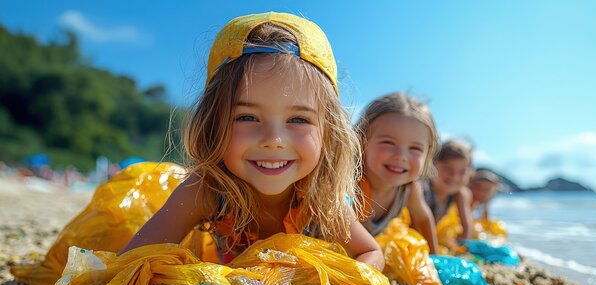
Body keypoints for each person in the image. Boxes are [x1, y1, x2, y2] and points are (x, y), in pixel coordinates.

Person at [119, 12, 384, 271]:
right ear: (213, 124)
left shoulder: (321, 197)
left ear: (329, 130)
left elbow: (370, 252)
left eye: (298, 119)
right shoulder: (207, 190)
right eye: (247, 117)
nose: (274, 141)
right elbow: (128, 262)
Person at [355, 92, 440, 254]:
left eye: (415, 148)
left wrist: (434, 259)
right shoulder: (349, 183)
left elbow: (423, 218)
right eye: (388, 142)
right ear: (362, 140)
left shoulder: (409, 188)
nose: (401, 156)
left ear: (427, 153)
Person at [424, 139, 474, 245]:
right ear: (431, 165)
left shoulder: (460, 194)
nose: (455, 177)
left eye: (462, 171)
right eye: (447, 169)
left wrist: (462, 249)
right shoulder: (423, 190)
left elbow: (467, 230)